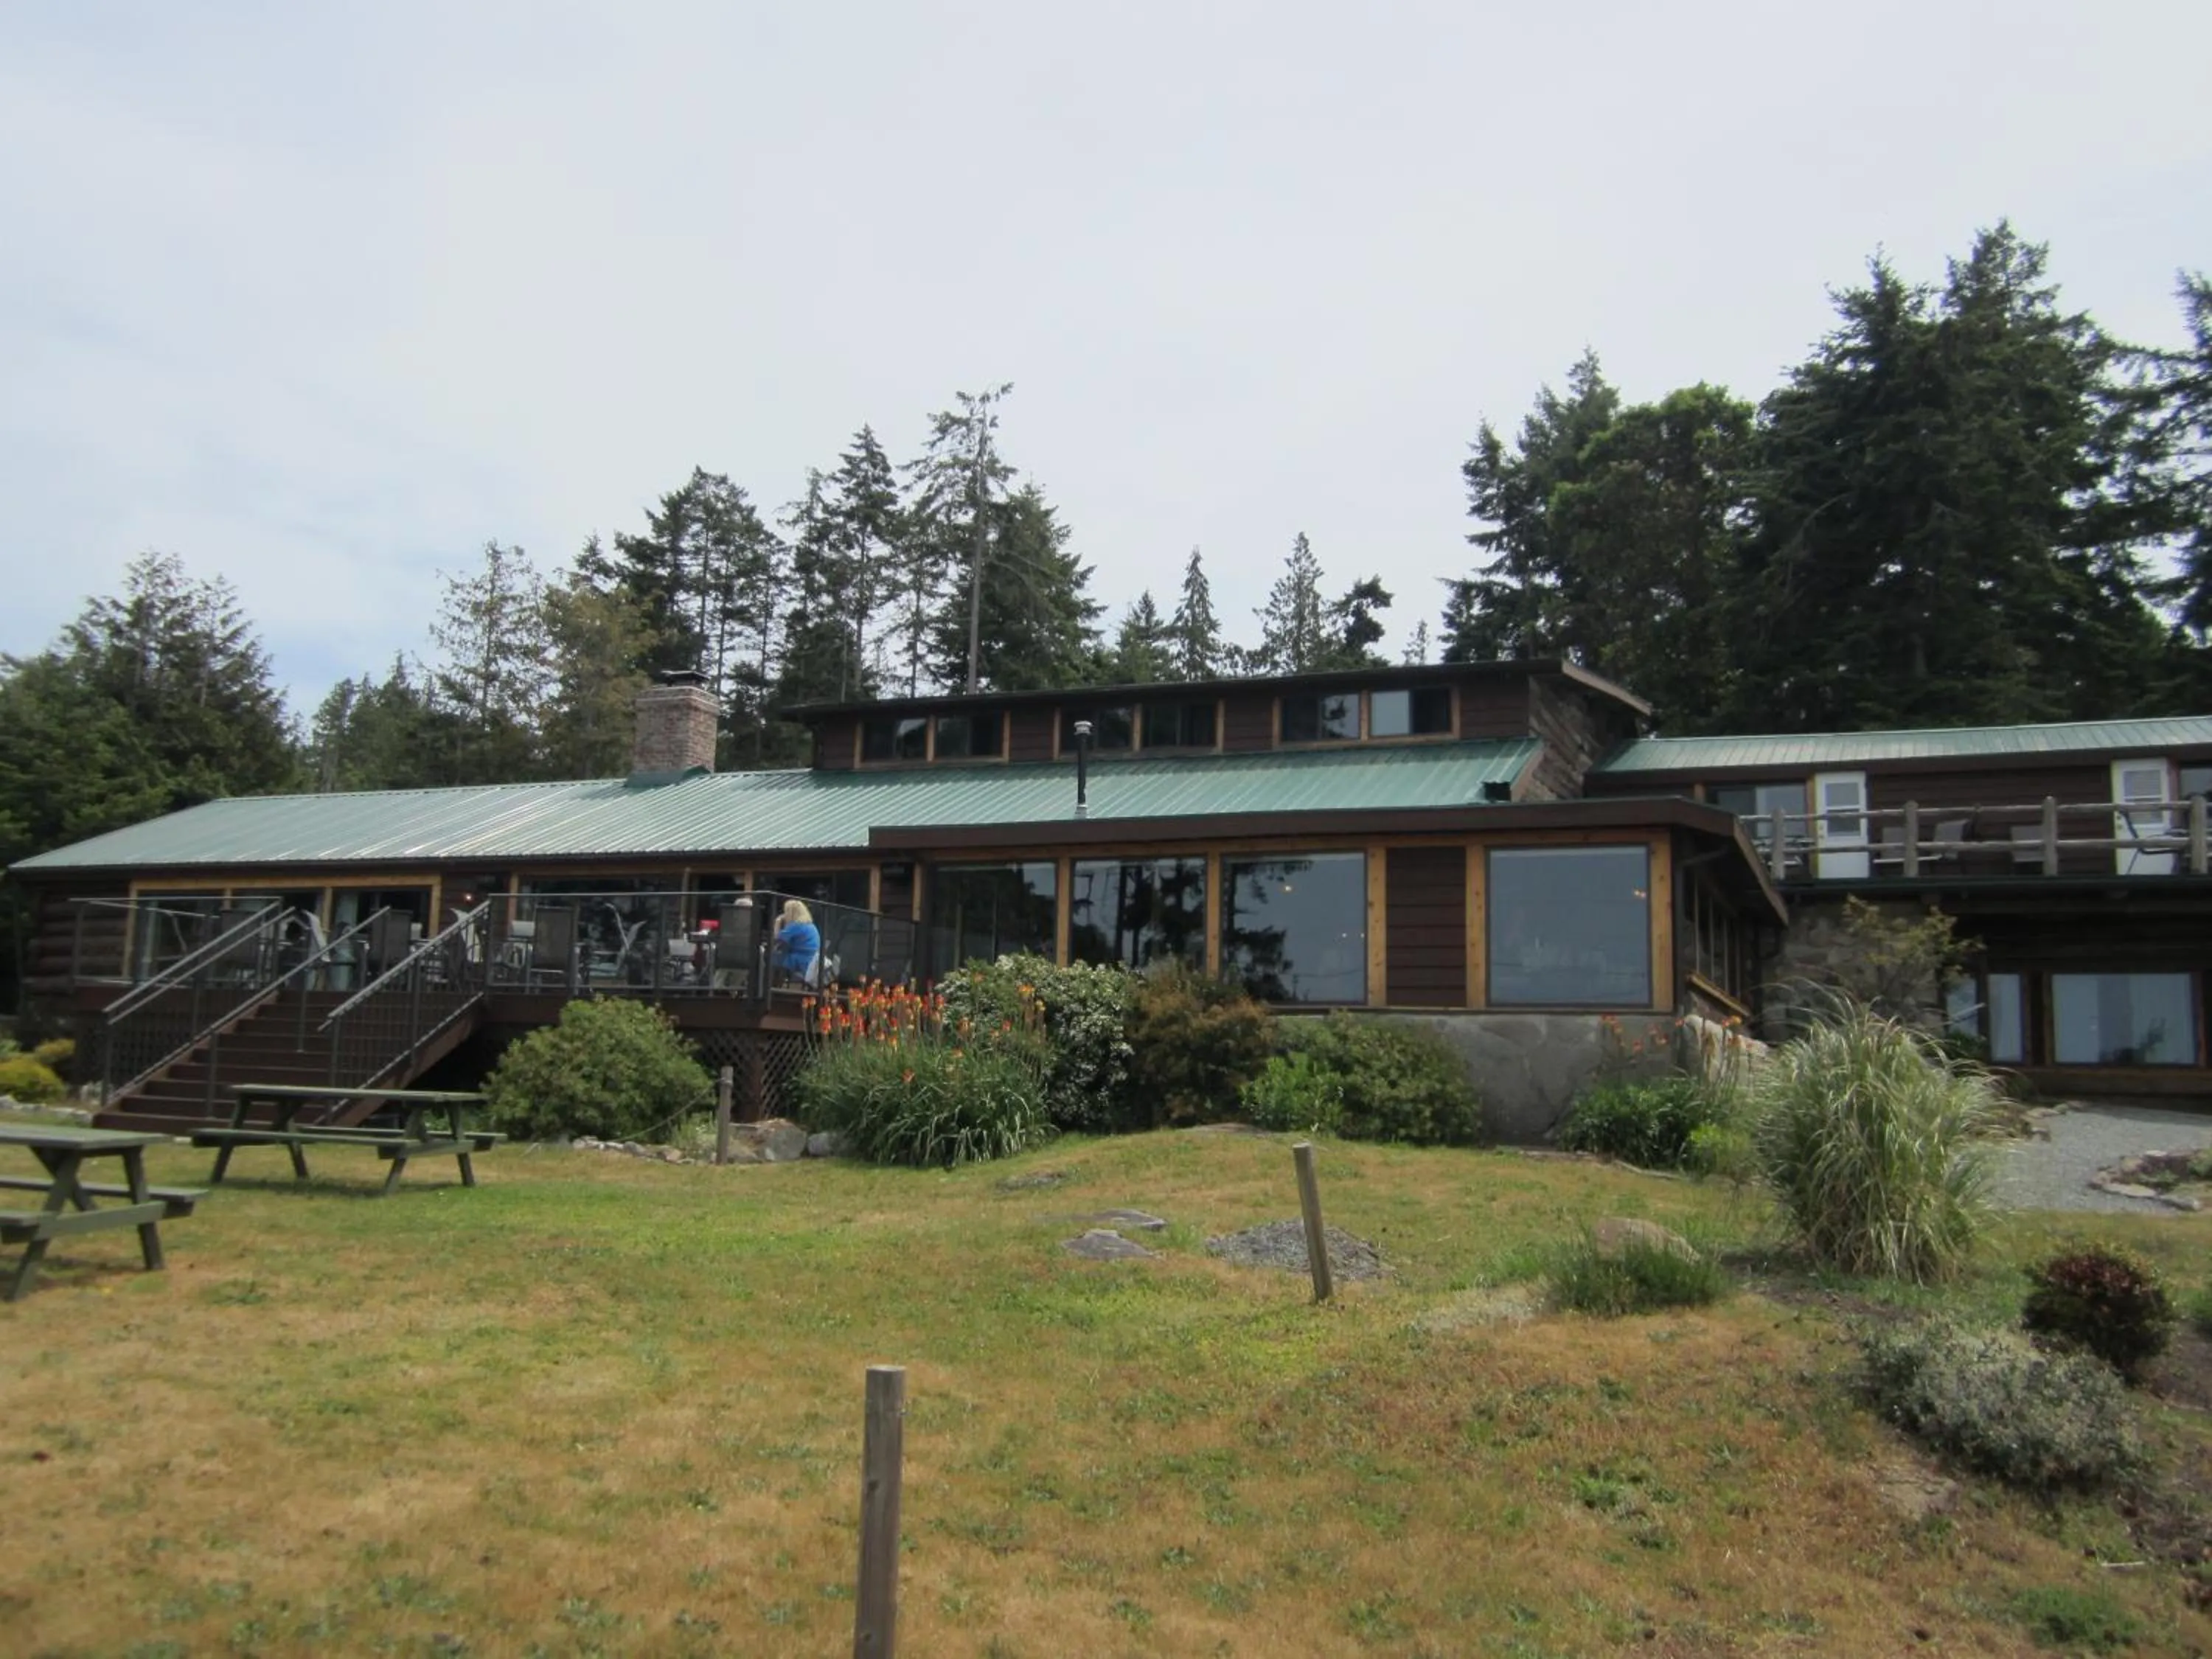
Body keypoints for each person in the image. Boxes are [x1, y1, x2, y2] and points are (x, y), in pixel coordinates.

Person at [773, 898, 821, 985]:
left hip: (800, 961)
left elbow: (777, 939)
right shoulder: (810, 925)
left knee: (769, 957)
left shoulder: (796, 925)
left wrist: (777, 922)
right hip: (811, 961)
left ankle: (767, 988)